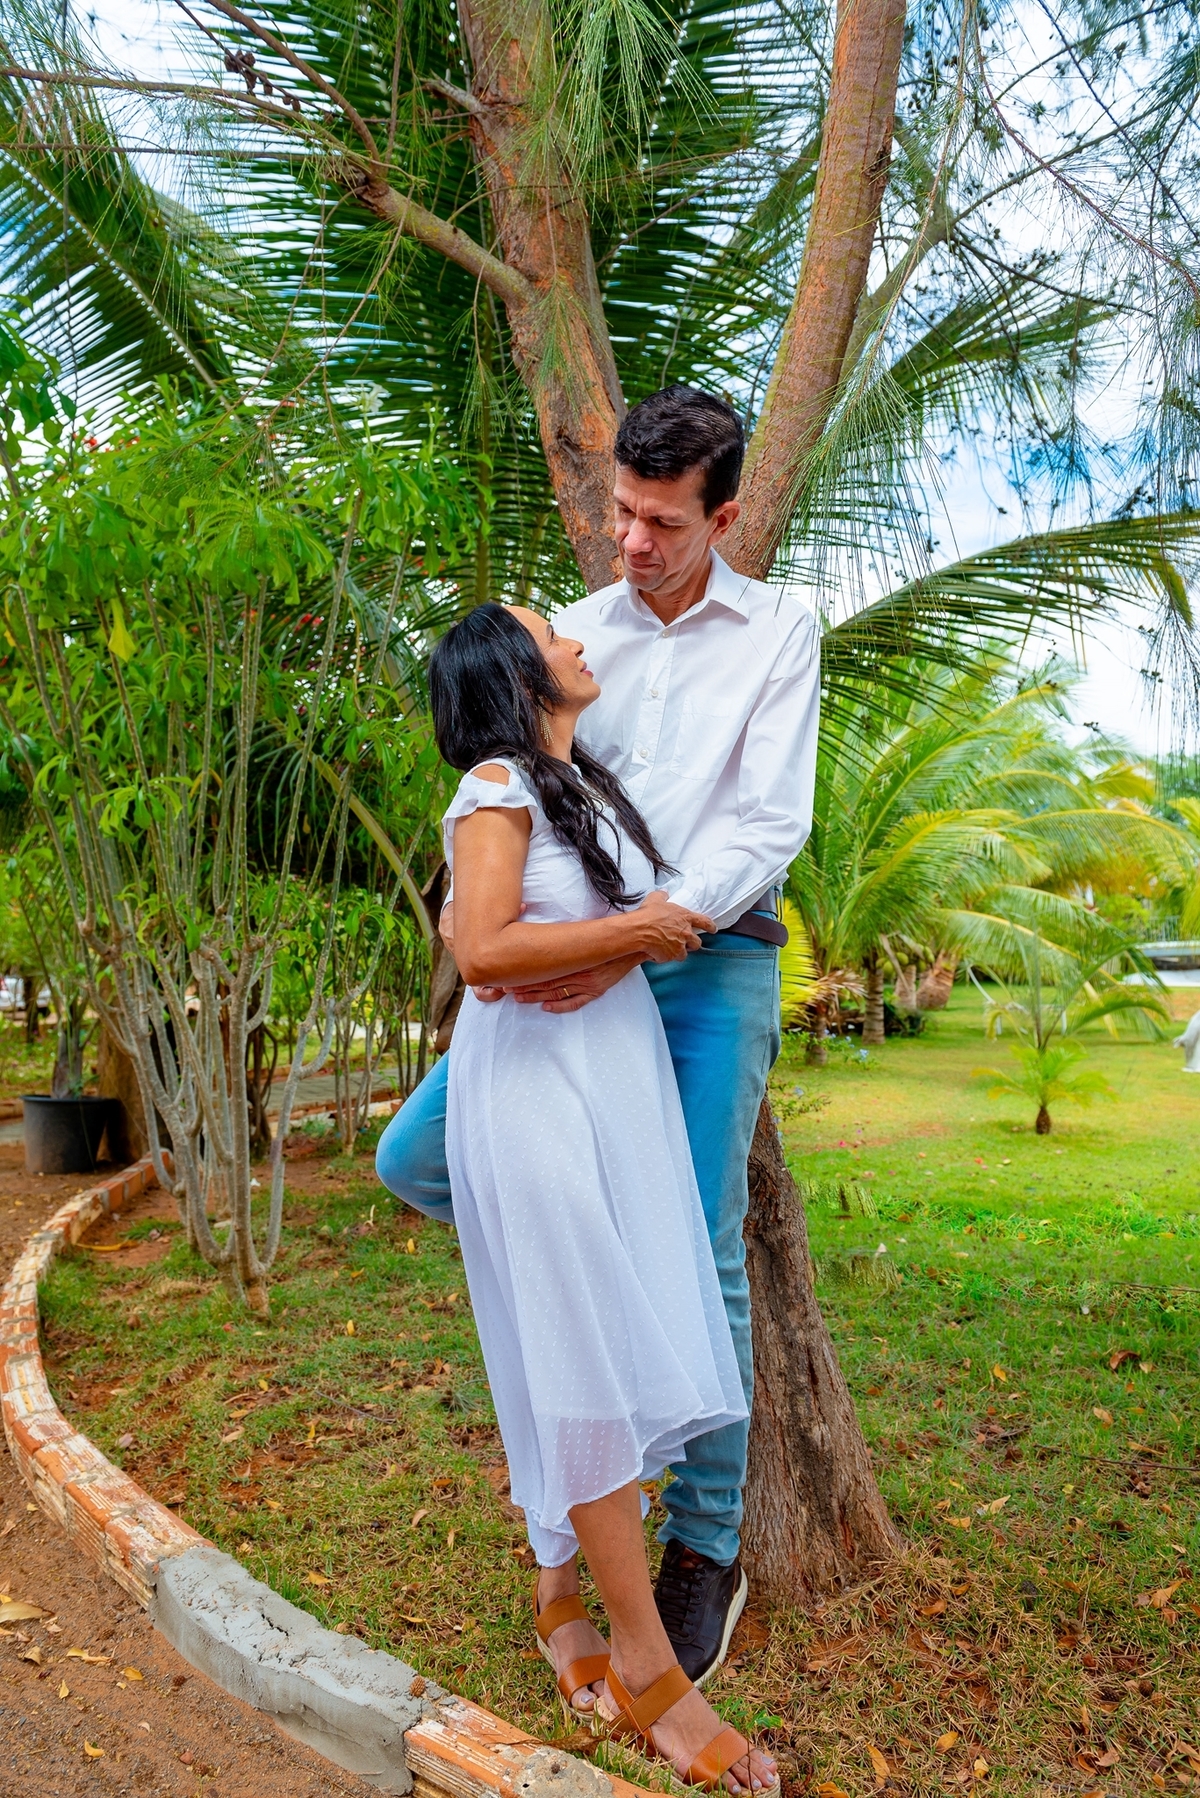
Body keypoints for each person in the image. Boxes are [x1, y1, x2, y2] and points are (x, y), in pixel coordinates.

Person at [378, 384, 820, 1687]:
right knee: (416, 1156)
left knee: (699, 1238)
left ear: (722, 515)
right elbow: (512, 788)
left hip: (709, 959)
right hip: (555, 990)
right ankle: (584, 1324)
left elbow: (766, 823)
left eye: (662, 521)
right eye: (622, 511)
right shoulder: (566, 633)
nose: (630, 540)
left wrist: (647, 928)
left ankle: (707, 1540)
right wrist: (525, 927)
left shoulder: (783, 632)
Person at [427, 602, 776, 1794]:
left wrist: (615, 939)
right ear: (519, 674)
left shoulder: (573, 782)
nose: (578, 643)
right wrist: (632, 927)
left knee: (571, 1343)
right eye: (550, 633)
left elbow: (543, 921)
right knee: (579, 1353)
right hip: (536, 1096)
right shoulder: (493, 783)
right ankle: (647, 1662)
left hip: (597, 1084)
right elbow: (478, 949)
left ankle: (557, 1593)